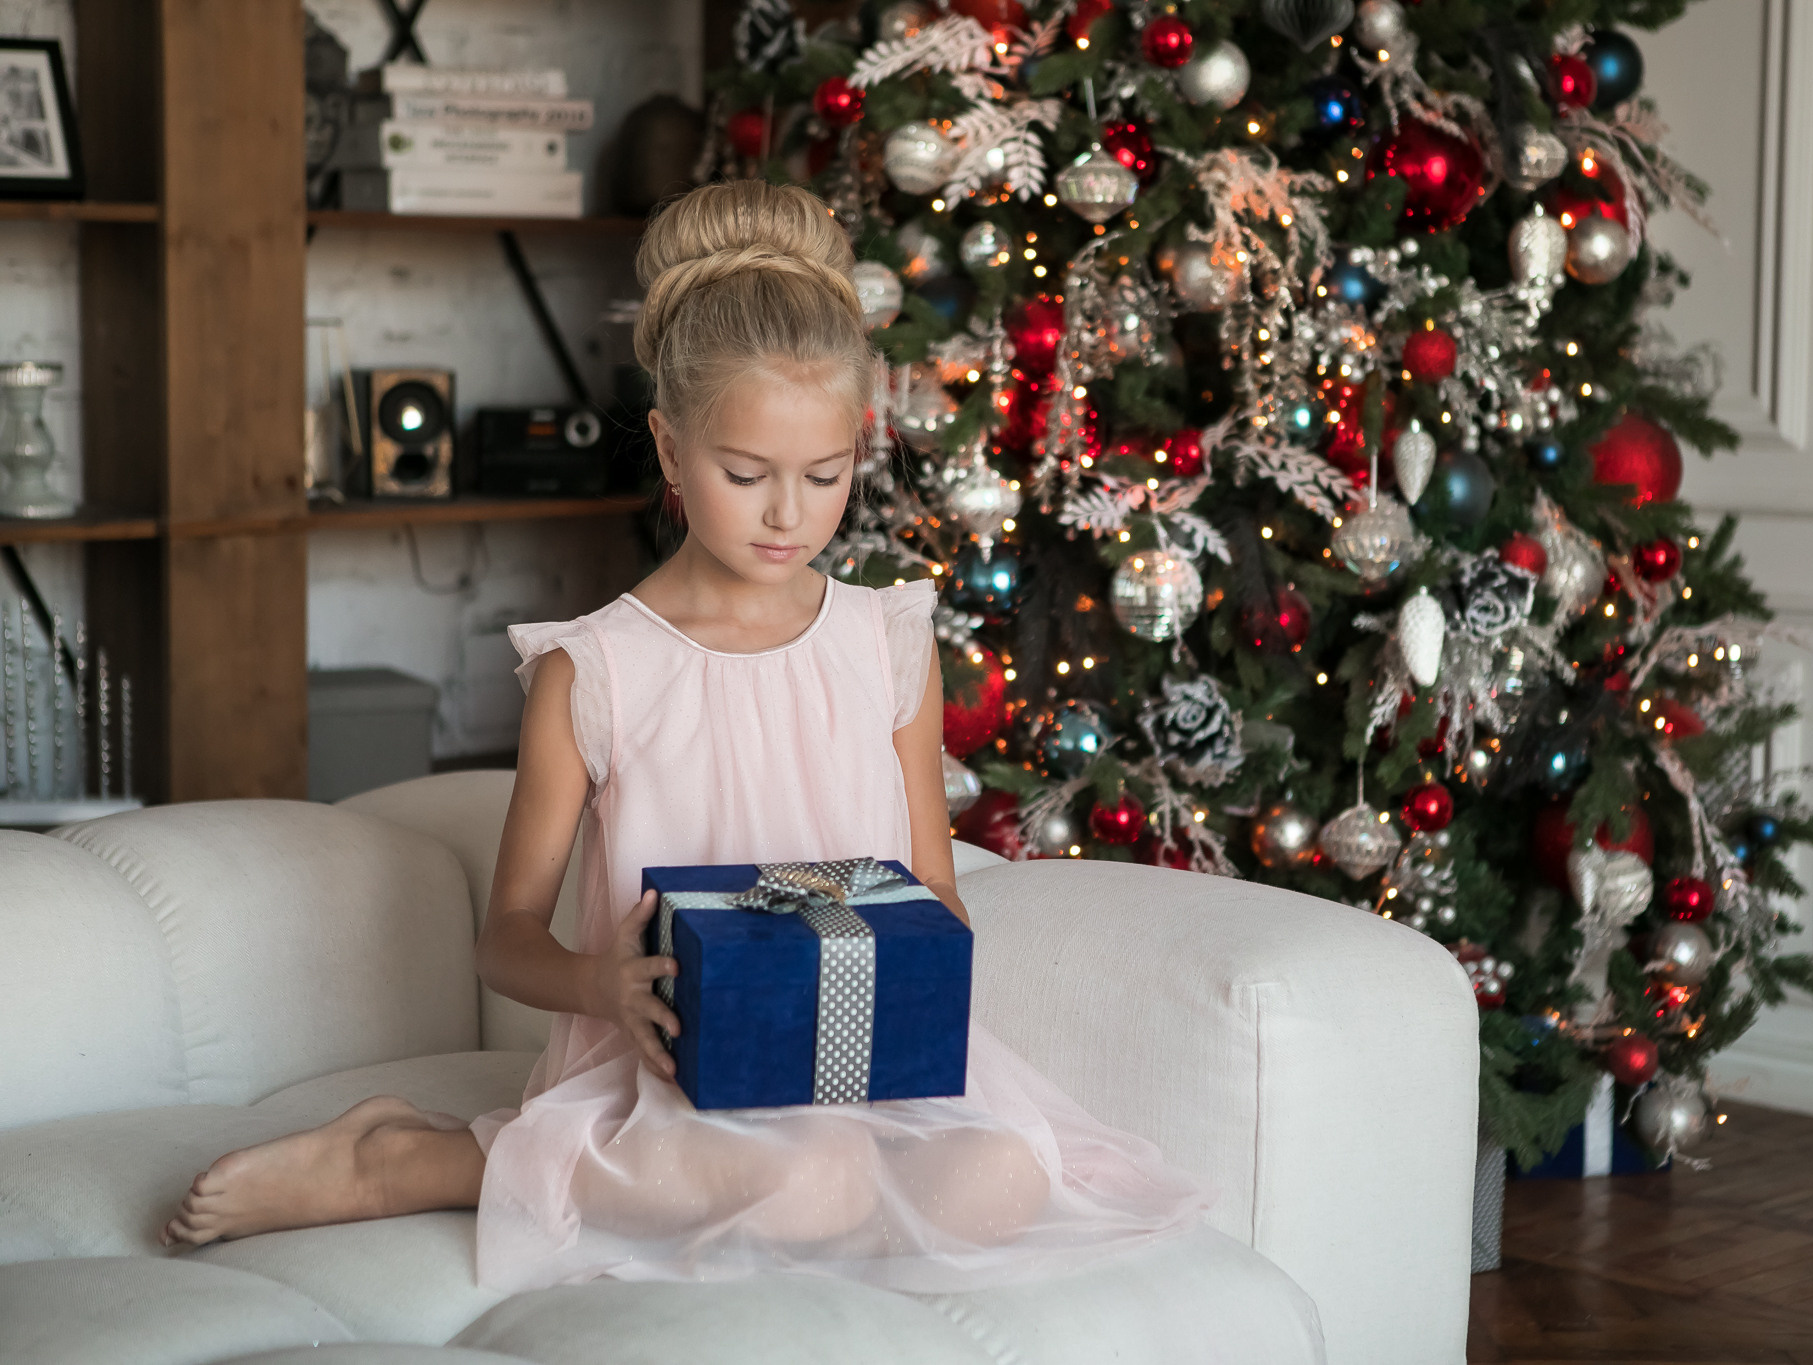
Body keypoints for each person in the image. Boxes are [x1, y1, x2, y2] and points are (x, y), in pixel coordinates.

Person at [159, 180, 1210, 1292]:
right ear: (668, 448)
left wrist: (897, 956)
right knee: (818, 1188)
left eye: (825, 476)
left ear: (861, 444)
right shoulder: (596, 669)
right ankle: (406, 1161)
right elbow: (504, 935)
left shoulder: (885, 640)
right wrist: (600, 984)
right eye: (744, 475)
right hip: (664, 1071)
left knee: (1003, 1178)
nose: (786, 516)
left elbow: (936, 894)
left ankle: (743, 1186)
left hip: (855, 1055)